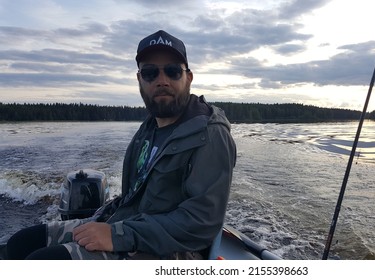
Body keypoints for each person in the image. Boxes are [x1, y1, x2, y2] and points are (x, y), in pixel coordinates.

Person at [5, 30, 237, 260]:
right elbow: (133, 197)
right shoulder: (148, 129)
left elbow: (201, 223)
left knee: (45, 262)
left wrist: (117, 234)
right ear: (139, 79)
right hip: (131, 225)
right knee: (22, 242)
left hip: (174, 250)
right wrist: (103, 221)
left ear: (188, 77)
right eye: (150, 73)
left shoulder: (210, 134)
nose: (162, 81)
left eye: (173, 71)